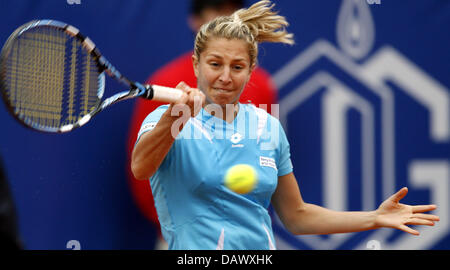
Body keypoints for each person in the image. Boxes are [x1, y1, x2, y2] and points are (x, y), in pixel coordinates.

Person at [131, 0, 440, 250]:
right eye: (215, 64)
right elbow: (141, 168)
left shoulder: (267, 127)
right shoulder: (167, 119)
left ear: (251, 71)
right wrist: (173, 116)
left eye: (237, 66)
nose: (226, 76)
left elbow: (297, 216)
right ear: (196, 64)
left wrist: (374, 218)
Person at [126, 0, 278, 249]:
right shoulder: (166, 81)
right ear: (195, 21)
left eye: (231, 10)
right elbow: (144, 174)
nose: (225, 19)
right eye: (216, 11)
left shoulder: (262, 87)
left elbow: (266, 164)